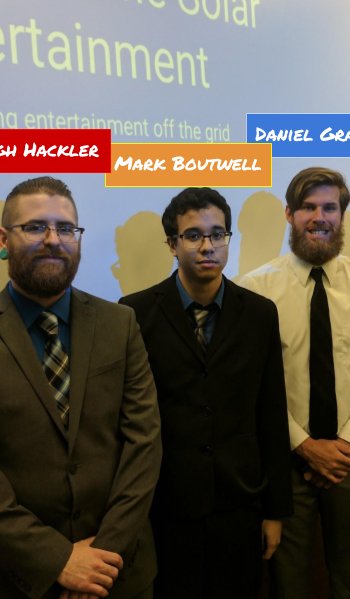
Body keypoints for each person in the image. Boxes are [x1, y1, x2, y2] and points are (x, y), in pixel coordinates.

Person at [0, 177, 162, 599]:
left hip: (118, 574)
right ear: (4, 239)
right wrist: (59, 562)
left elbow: (144, 443)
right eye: (35, 227)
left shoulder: (120, 324)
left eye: (66, 228)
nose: (53, 239)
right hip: (16, 580)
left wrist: (102, 557)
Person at [119, 187, 292, 599]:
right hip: (167, 504)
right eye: (193, 235)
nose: (208, 246)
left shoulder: (259, 313)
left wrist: (276, 510)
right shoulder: (135, 313)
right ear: (172, 244)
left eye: (218, 234)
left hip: (240, 502)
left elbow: (271, 413)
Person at [239, 168, 350, 599]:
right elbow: (254, 385)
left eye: (330, 207)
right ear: (289, 215)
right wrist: (305, 446)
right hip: (285, 458)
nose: (319, 217)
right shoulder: (254, 290)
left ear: (343, 216)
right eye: (307, 207)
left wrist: (345, 445)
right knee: (288, 581)